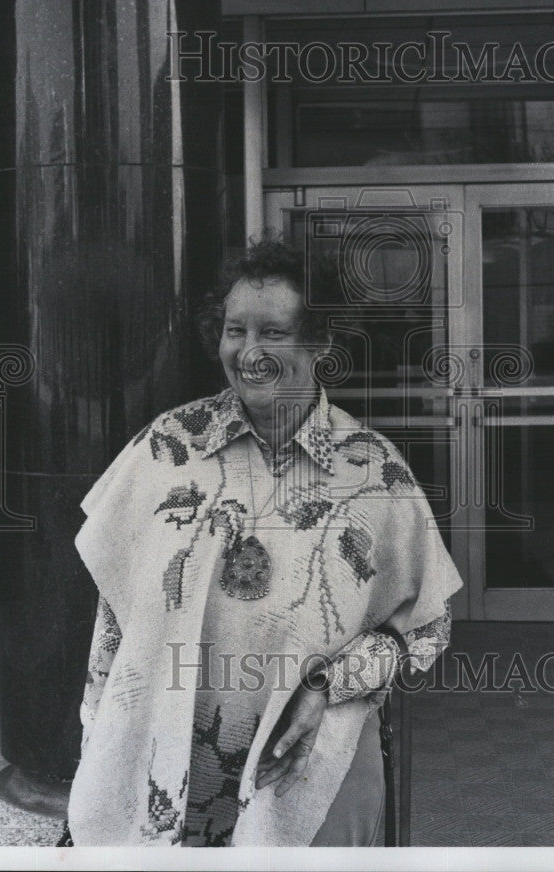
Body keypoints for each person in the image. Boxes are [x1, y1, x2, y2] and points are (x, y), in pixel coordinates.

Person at [66, 239, 462, 846]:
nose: (249, 353)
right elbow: (113, 615)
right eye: (234, 330)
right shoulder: (166, 448)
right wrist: (99, 732)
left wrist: (326, 686)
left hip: (312, 752)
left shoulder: (374, 472)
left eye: (273, 333)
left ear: (319, 343)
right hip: (164, 749)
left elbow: (428, 628)